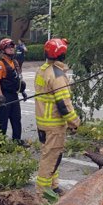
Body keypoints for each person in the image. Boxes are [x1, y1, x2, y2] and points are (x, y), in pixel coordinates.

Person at [34, 38, 80, 194]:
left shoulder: (42, 70)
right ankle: (42, 193)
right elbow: (63, 104)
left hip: (42, 122)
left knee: (53, 156)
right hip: (53, 124)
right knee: (51, 159)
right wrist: (75, 122)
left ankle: (53, 185)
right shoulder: (57, 75)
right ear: (63, 54)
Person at [0, 38, 23, 144]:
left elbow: (18, 79)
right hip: (5, 95)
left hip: (14, 95)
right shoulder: (0, 64)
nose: (11, 49)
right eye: (8, 47)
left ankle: (17, 140)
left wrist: (22, 91)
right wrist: (0, 96)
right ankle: (0, 143)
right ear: (3, 50)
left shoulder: (15, 62)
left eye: (12, 47)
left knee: (16, 118)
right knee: (3, 121)